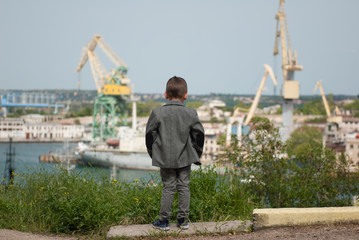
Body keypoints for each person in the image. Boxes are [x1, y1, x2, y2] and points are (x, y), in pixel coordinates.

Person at [145, 76, 205, 230]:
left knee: (168, 187)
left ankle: (164, 221)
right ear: (186, 95)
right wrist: (196, 153)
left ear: (165, 94)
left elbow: (149, 135)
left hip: (165, 157)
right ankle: (183, 220)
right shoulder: (191, 113)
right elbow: (199, 135)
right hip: (185, 156)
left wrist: (154, 153)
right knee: (184, 186)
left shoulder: (157, 113)